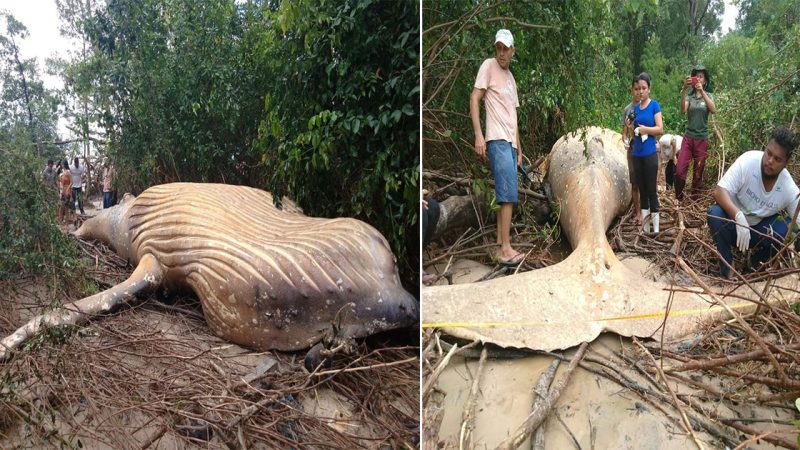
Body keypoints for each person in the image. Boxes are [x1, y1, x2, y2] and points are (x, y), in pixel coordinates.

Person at [707, 127, 799, 280]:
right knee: (715, 214)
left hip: (759, 231)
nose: (769, 161)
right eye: (768, 153)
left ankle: (756, 265)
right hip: (733, 225)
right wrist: (738, 216)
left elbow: (798, 222)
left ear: (786, 163)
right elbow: (719, 191)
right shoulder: (748, 162)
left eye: (777, 159)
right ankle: (728, 269)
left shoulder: (788, 187)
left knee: (790, 228)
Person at [470, 29, 524, 266]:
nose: (502, 53)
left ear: (513, 51)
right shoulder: (488, 66)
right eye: (499, 48)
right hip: (496, 139)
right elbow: (474, 98)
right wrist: (479, 135)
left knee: (507, 195)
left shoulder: (511, 79)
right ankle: (505, 248)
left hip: (510, 144)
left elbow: (513, 116)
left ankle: (501, 245)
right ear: (496, 49)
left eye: (506, 49)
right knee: (507, 195)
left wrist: (519, 150)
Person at [629, 72, 663, 233]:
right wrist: (630, 126)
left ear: (649, 89)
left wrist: (644, 130)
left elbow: (660, 129)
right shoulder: (635, 109)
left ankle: (656, 229)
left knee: (651, 190)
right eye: (638, 88)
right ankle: (646, 228)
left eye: (644, 88)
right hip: (637, 154)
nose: (640, 91)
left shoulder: (654, 105)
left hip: (650, 153)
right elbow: (633, 133)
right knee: (642, 190)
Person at [676, 64, 716, 201]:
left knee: (698, 175)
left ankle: (694, 203)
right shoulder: (689, 97)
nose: (698, 79)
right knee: (680, 171)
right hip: (688, 138)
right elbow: (683, 110)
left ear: (705, 81)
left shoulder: (709, 95)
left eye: (701, 77)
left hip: (702, 139)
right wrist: (683, 90)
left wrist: (702, 92)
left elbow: (713, 109)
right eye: (696, 76)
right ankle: (678, 199)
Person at [621, 78, 641, 225]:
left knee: (645, 183)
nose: (638, 92)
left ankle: (646, 211)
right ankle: (637, 212)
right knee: (634, 183)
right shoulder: (628, 110)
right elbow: (624, 133)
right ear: (632, 89)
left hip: (646, 148)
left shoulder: (648, 106)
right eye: (635, 89)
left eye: (641, 88)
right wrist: (625, 139)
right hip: (633, 147)